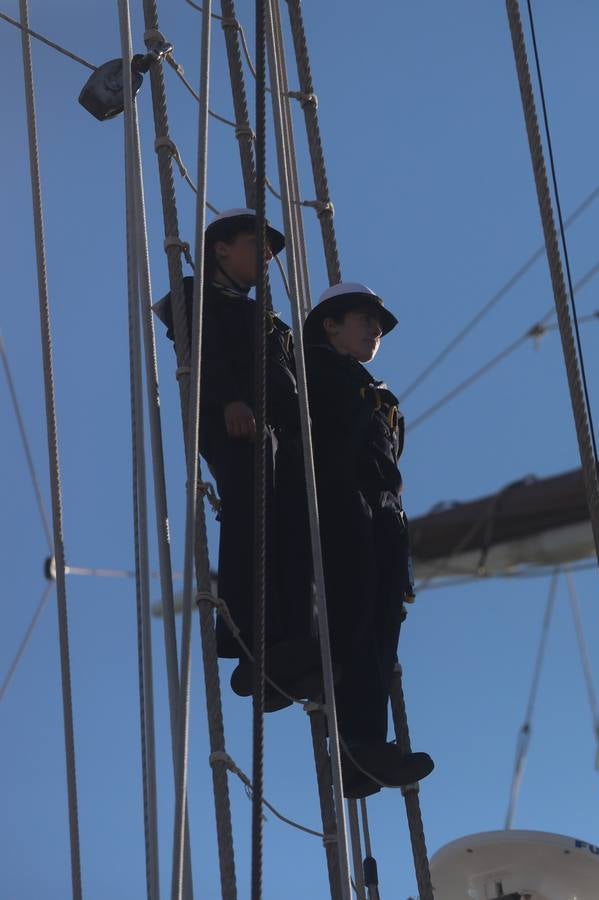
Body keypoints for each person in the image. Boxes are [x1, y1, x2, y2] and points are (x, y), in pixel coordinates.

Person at [155, 208, 316, 712]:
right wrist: (227, 400)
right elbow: (198, 352)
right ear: (221, 248)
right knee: (251, 512)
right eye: (257, 244)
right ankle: (246, 635)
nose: (267, 256)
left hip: (279, 434)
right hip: (236, 422)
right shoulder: (194, 297)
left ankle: (286, 644)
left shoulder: (263, 316)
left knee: (292, 529)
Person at [303, 283, 434, 797]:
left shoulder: (377, 394)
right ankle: (357, 742)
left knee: (383, 629)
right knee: (354, 618)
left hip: (382, 519)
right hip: (341, 505)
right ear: (329, 325)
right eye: (364, 319)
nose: (376, 330)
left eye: (379, 326)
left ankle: (363, 752)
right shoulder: (310, 372)